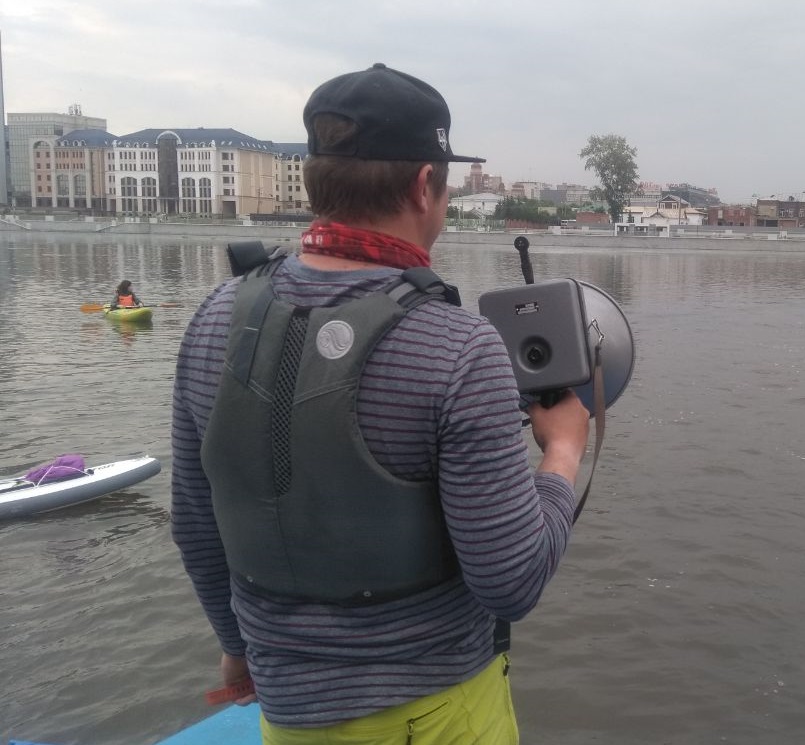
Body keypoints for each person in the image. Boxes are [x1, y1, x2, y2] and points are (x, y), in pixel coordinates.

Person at [171, 63, 590, 744]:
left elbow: (196, 521)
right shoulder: (459, 346)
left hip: (288, 717)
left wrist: (237, 645)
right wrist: (564, 451)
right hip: (439, 715)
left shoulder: (215, 317)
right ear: (426, 185)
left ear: (316, 178)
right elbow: (511, 581)